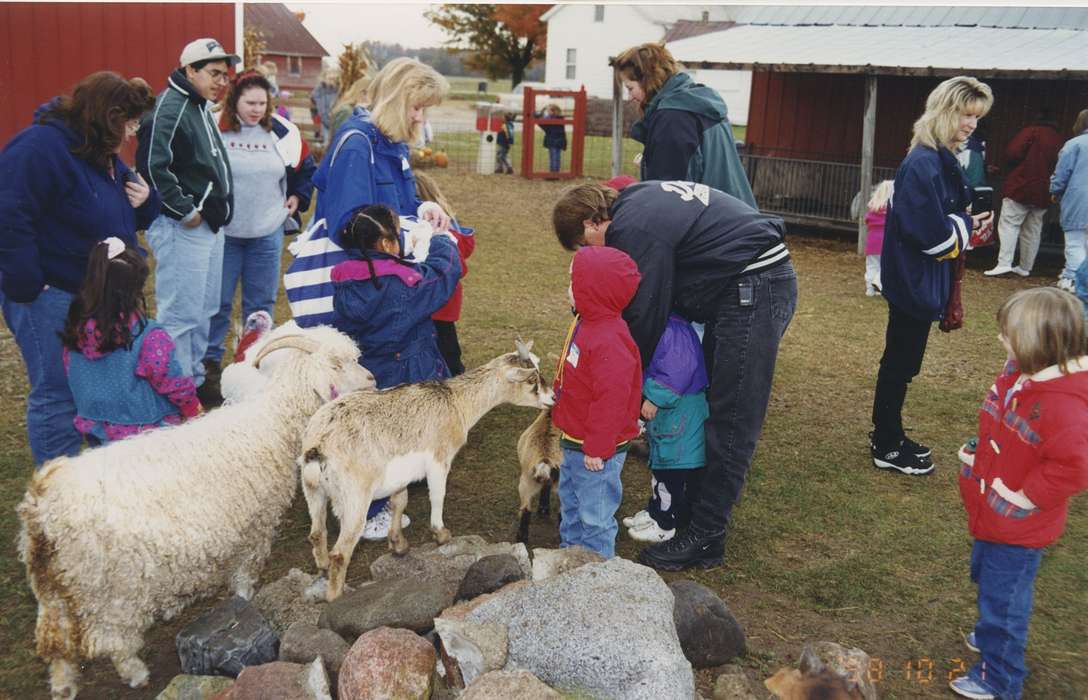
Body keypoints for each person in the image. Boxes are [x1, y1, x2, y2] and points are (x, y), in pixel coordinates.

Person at [551, 179, 797, 570]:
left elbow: (645, 312)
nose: (588, 254)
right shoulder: (637, 200)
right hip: (743, 281)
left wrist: (620, 391)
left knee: (732, 417)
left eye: (582, 244)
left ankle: (707, 536)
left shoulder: (632, 228)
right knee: (715, 405)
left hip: (755, 286)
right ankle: (685, 512)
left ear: (593, 222)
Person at [0, 71, 158, 465]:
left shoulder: (100, 152)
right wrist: (28, 285)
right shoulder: (41, 148)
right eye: (129, 122)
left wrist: (147, 202)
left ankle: (92, 481)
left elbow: (120, 212)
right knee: (57, 391)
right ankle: (57, 491)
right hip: (52, 292)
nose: (132, 132)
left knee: (95, 387)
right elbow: (9, 212)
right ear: (108, 114)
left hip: (99, 294)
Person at [951, 287, 1088, 700]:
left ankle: (1000, 676)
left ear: (1034, 344)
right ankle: (992, 629)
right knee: (985, 574)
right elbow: (1004, 432)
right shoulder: (1018, 375)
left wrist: (1027, 495)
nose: (1000, 340)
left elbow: (1075, 464)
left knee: (1005, 599)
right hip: (993, 512)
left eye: (1007, 335)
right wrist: (978, 458)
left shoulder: (1063, 407)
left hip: (1019, 525)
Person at [871, 76, 994, 476]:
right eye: (965, 113)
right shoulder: (924, 161)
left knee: (903, 362)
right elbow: (929, 234)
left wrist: (964, 222)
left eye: (977, 116)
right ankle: (886, 443)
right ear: (944, 111)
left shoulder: (937, 157)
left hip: (919, 277)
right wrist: (967, 224)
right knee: (900, 363)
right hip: (914, 278)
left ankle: (888, 435)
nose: (972, 123)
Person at [285, 57, 450, 328]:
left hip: (384, 279)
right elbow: (350, 227)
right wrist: (409, 239)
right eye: (417, 107)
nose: (420, 117)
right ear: (395, 100)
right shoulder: (358, 146)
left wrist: (422, 208)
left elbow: (398, 202)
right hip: (363, 289)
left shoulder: (391, 142)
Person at [201, 71, 316, 404]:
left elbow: (304, 168)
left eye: (262, 103)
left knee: (260, 306)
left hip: (266, 233)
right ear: (234, 99)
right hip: (224, 233)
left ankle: (251, 365)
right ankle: (208, 370)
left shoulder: (283, 131)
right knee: (218, 303)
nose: (255, 109)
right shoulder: (212, 126)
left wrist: (298, 196)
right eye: (249, 102)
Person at [137, 37, 238, 394]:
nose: (220, 82)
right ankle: (174, 391)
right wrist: (185, 210)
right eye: (213, 73)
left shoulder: (198, 106)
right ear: (189, 70)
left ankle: (193, 381)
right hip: (183, 227)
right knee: (180, 315)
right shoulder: (170, 107)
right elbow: (151, 165)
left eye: (224, 76)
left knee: (204, 309)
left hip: (209, 226)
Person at [61, 238, 201, 444]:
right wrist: (192, 407)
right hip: (147, 434)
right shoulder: (148, 336)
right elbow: (170, 380)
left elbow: (71, 370)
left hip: (98, 428)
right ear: (132, 291)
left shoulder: (75, 331)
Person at [552, 246, 642, 558]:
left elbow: (612, 401)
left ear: (594, 291)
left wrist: (598, 447)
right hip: (575, 439)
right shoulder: (585, 322)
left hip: (596, 450)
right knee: (572, 505)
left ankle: (599, 575)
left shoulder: (609, 339)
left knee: (596, 515)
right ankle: (570, 559)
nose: (568, 289)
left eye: (573, 283)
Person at [611, 42, 755, 208]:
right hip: (736, 214)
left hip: (714, 224)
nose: (630, 97)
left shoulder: (673, 119)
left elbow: (667, 195)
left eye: (630, 88)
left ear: (648, 80)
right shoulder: (697, 104)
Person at [623, 313, 708, 543]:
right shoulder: (662, 325)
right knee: (660, 472)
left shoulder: (672, 330)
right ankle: (656, 511)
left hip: (678, 421)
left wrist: (656, 397)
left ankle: (665, 524)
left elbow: (679, 369)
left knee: (669, 476)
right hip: (669, 423)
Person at [984, 108, 1061, 278]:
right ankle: (1025, 267)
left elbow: (1012, 153)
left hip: (1021, 184)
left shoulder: (1031, 131)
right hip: (1043, 189)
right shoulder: (1057, 138)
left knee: (1009, 224)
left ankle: (1004, 263)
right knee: (1033, 229)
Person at [415, 172, 476, 376]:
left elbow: (455, 264)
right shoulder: (448, 223)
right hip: (444, 302)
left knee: (445, 347)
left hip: (436, 303)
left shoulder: (432, 228)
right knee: (445, 343)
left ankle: (453, 380)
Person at [1050, 108, 1088, 292]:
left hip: (1079, 200)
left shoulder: (1074, 144)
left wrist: (1055, 191)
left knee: (1075, 243)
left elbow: (1062, 174)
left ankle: (1074, 280)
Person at [864, 180, 894, 296]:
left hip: (872, 242)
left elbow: (867, 221)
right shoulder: (891, 209)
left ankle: (869, 289)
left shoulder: (873, 208)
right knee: (886, 264)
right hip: (886, 242)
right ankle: (878, 282)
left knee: (872, 265)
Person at [327, 76, 370, 141]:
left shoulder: (353, 109)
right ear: (362, 93)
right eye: (373, 94)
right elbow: (342, 137)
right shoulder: (347, 111)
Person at [310, 66, 340, 147]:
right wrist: (324, 118)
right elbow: (319, 103)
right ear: (325, 78)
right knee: (326, 142)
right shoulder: (320, 90)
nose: (332, 81)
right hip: (324, 118)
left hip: (336, 119)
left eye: (334, 79)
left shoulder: (339, 89)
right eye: (330, 78)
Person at [537, 104, 567, 174]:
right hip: (560, 140)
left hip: (552, 140)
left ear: (552, 111)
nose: (547, 112)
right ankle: (556, 172)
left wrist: (540, 114)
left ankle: (553, 174)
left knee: (553, 157)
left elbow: (542, 124)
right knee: (557, 157)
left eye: (548, 111)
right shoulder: (561, 118)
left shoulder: (549, 118)